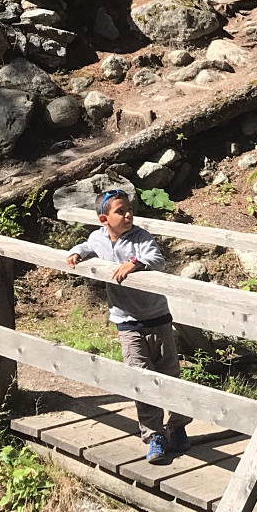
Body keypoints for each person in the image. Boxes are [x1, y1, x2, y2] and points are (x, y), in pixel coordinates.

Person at [65, 189, 189, 464]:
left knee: (168, 374)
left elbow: (157, 259)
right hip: (126, 320)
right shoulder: (98, 238)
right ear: (104, 219)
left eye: (129, 209)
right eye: (120, 211)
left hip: (156, 317)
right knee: (140, 378)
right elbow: (87, 247)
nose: (128, 214)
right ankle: (154, 434)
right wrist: (75, 253)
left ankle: (178, 425)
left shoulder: (141, 237)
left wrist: (134, 263)